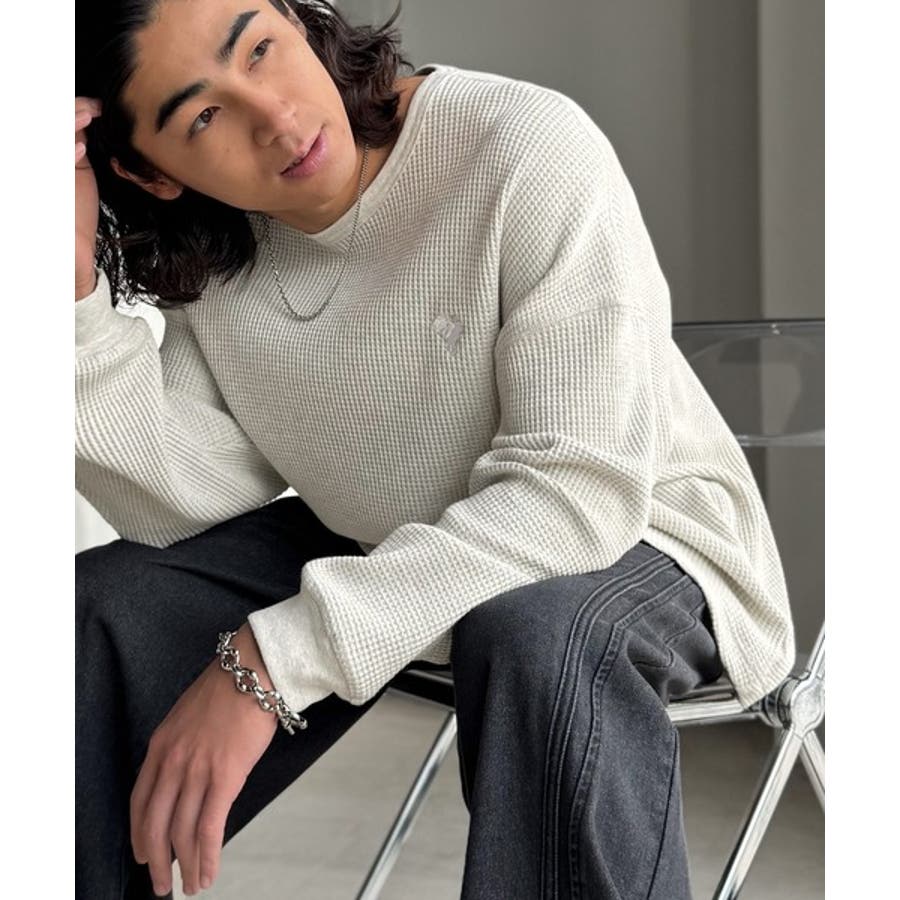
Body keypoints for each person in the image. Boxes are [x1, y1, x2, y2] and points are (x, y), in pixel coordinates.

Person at [74, 1, 796, 897]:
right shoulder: (221, 247)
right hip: (394, 540)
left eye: (260, 48)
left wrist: (273, 659)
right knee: (102, 606)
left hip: (642, 533)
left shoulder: (520, 143)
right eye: (204, 116)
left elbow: (577, 494)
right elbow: (188, 503)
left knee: (534, 633)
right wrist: (68, 295)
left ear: (298, 17)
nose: (278, 118)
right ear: (149, 173)